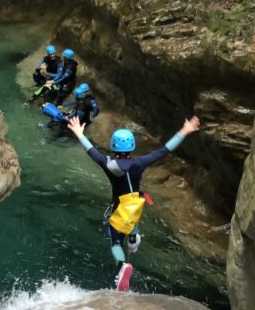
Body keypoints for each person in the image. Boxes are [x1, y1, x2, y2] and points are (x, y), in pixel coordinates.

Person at [67, 114, 200, 291]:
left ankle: (122, 266)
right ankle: (133, 236)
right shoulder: (140, 162)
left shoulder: (108, 165)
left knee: (115, 242)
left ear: (113, 146)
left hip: (119, 209)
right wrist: (185, 130)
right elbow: (164, 150)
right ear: (132, 147)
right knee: (131, 220)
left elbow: (92, 151)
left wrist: (79, 133)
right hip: (136, 205)